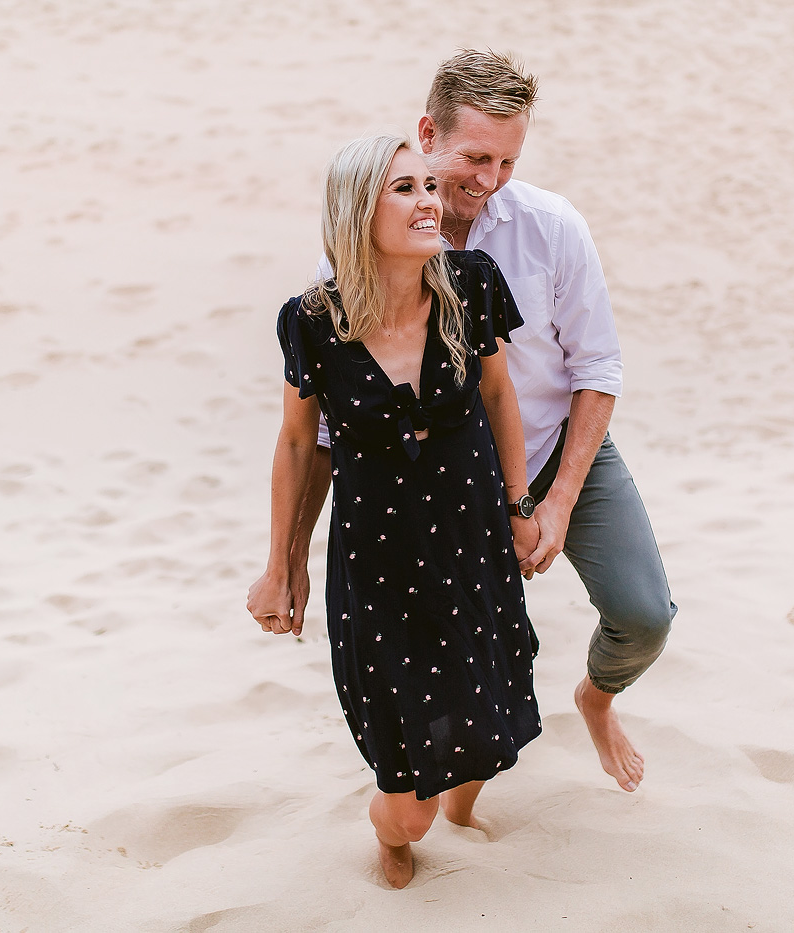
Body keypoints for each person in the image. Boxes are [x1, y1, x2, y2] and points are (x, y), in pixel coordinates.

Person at [286, 50, 677, 794]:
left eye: (506, 160)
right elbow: (324, 437)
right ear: (427, 131)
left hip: (559, 453)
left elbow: (597, 370)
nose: (489, 179)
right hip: (439, 485)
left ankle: (597, 700)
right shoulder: (345, 273)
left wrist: (554, 502)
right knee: (459, 663)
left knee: (644, 613)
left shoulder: (550, 227)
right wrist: (292, 557)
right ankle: (437, 802)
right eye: (475, 156)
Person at [247, 133, 541, 888]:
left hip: (469, 546)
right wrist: (279, 565)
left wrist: (520, 504)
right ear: (356, 210)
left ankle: (461, 805)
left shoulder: (469, 285)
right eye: (404, 189)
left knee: (490, 725)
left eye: (427, 186)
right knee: (409, 800)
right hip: (378, 569)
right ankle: (397, 830)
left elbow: (502, 396)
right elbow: (294, 443)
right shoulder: (312, 320)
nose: (429, 202)